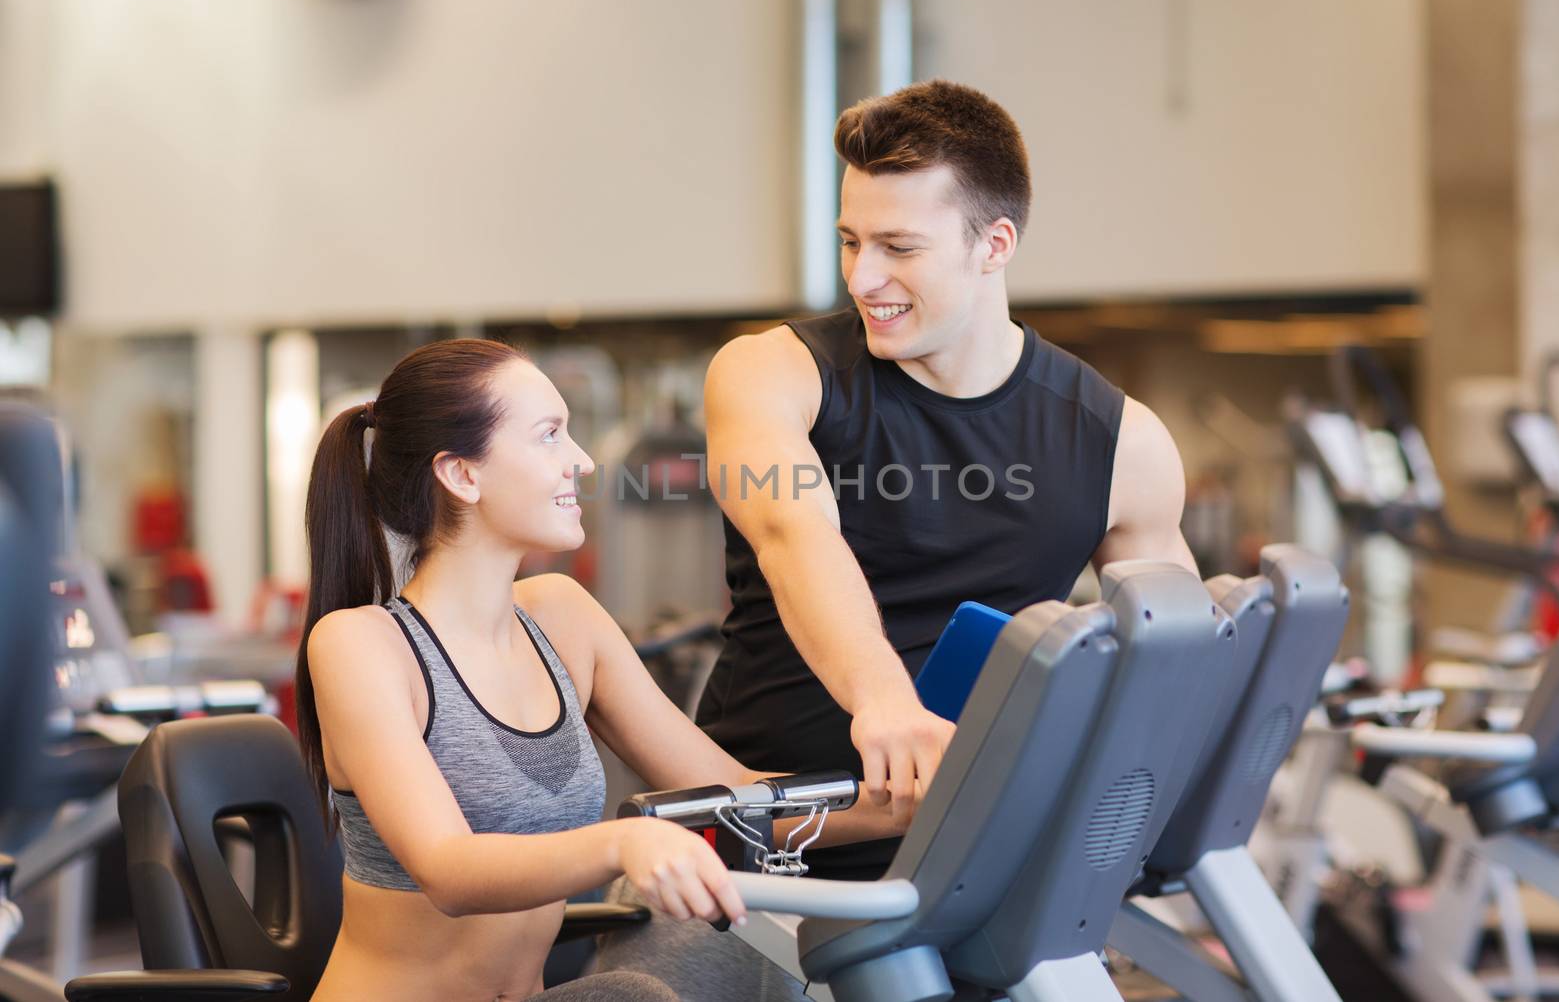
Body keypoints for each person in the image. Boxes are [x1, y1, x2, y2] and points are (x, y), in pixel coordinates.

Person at [296, 339, 905, 1002]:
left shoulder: (562, 618)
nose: (582, 461)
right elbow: (449, 868)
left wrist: (918, 801)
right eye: (550, 436)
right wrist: (626, 844)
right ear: (462, 475)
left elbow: (730, 793)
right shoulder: (363, 646)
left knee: (724, 947)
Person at [697, 78, 1199, 881]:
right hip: (769, 844)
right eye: (850, 241)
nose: (863, 279)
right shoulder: (771, 374)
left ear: (994, 244)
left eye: (899, 248)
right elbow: (794, 537)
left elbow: (1171, 667)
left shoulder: (1120, 442)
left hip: (980, 852)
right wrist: (883, 700)